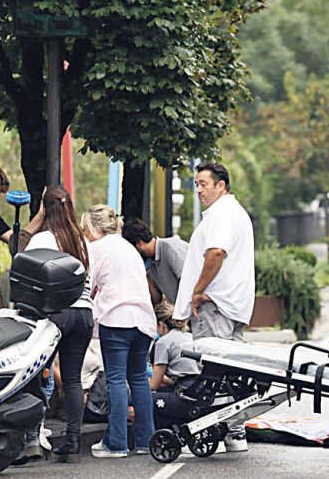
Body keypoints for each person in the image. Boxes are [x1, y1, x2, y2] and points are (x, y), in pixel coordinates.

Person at [172, 161, 254, 451]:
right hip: (232, 305)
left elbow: (216, 252)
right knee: (232, 375)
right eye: (196, 184)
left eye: (203, 184)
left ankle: (213, 431)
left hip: (215, 305)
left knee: (213, 373)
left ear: (221, 186)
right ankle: (235, 433)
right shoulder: (236, 213)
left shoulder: (221, 214)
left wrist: (198, 290)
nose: (198, 190)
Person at [24, 186, 93, 459]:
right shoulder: (81, 240)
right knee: (73, 379)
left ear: (45, 209)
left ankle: (32, 436)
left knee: (34, 374)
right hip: (84, 314)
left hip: (57, 314)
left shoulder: (43, 239)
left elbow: (23, 264)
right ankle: (73, 440)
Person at [81, 205, 155, 459]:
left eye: (86, 229)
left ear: (95, 228)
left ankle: (116, 443)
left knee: (115, 380)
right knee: (138, 379)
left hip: (117, 319)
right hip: (144, 320)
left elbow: (88, 286)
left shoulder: (97, 248)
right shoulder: (129, 248)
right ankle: (146, 441)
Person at [149, 301, 201, 431]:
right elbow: (177, 377)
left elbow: (153, 385)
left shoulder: (163, 342)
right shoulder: (192, 337)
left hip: (184, 397)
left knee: (140, 397)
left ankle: (145, 438)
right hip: (199, 392)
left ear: (160, 325)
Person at [121, 218, 189, 305]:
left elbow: (189, 282)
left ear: (139, 244)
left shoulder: (172, 248)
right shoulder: (151, 264)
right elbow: (156, 299)